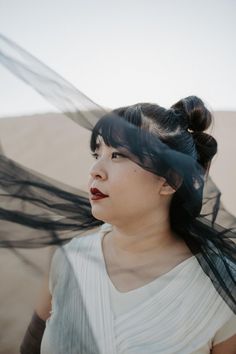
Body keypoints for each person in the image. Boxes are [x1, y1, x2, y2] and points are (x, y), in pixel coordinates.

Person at [20, 96, 236, 354]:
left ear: (170, 180)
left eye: (117, 154)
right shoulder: (68, 259)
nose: (95, 170)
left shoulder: (220, 287)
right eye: (96, 152)